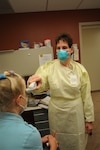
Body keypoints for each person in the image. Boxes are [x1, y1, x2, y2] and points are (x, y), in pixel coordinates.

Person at [27, 33, 94, 150]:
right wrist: (35, 83)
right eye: (58, 48)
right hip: (57, 112)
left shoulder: (80, 70)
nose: (61, 50)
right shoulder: (49, 67)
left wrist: (89, 119)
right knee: (58, 140)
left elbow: (86, 96)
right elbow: (41, 81)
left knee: (76, 140)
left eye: (64, 48)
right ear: (55, 51)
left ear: (71, 50)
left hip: (75, 112)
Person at [0, 70, 58, 150]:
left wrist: (38, 141)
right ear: (19, 100)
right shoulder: (29, 133)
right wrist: (53, 146)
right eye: (25, 93)